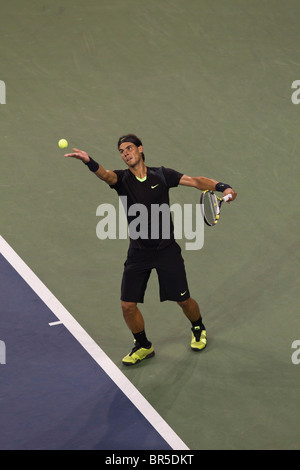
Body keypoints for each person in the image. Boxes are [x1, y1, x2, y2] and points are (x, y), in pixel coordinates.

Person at [64, 134, 237, 366]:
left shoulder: (162, 175)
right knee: (127, 306)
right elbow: (105, 175)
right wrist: (88, 161)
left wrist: (222, 187)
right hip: (138, 253)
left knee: (184, 301)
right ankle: (143, 345)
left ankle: (198, 327)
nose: (126, 153)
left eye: (129, 148)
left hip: (167, 251)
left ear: (140, 149)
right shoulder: (122, 179)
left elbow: (196, 181)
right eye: (122, 151)